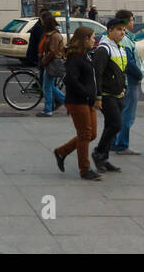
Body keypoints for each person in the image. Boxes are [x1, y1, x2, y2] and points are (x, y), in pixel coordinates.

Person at [53, 26, 102, 180]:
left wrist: (95, 96)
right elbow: (70, 79)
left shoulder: (86, 55)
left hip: (88, 101)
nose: (94, 40)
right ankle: (85, 169)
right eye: (92, 37)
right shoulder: (75, 57)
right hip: (77, 101)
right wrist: (87, 93)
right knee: (85, 134)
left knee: (91, 134)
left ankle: (61, 151)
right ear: (84, 39)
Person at [90, 17, 130, 172]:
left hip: (118, 94)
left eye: (124, 29)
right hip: (106, 95)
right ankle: (98, 152)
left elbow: (123, 71)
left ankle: (104, 158)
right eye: (119, 29)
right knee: (116, 124)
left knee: (111, 125)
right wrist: (98, 97)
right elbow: (97, 74)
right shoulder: (103, 49)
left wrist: (124, 87)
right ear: (110, 30)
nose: (123, 32)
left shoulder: (120, 47)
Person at [110, 11, 144, 155]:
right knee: (127, 115)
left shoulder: (123, 38)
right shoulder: (125, 39)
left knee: (118, 113)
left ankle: (113, 142)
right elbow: (129, 63)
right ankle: (122, 145)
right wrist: (140, 74)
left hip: (121, 80)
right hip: (129, 81)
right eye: (132, 20)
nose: (133, 22)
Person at [37, 11, 65, 117]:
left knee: (47, 87)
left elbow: (52, 51)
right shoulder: (51, 34)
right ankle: (65, 102)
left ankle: (48, 109)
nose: (41, 22)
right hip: (51, 62)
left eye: (42, 20)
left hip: (52, 63)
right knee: (49, 86)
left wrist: (43, 61)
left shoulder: (54, 35)